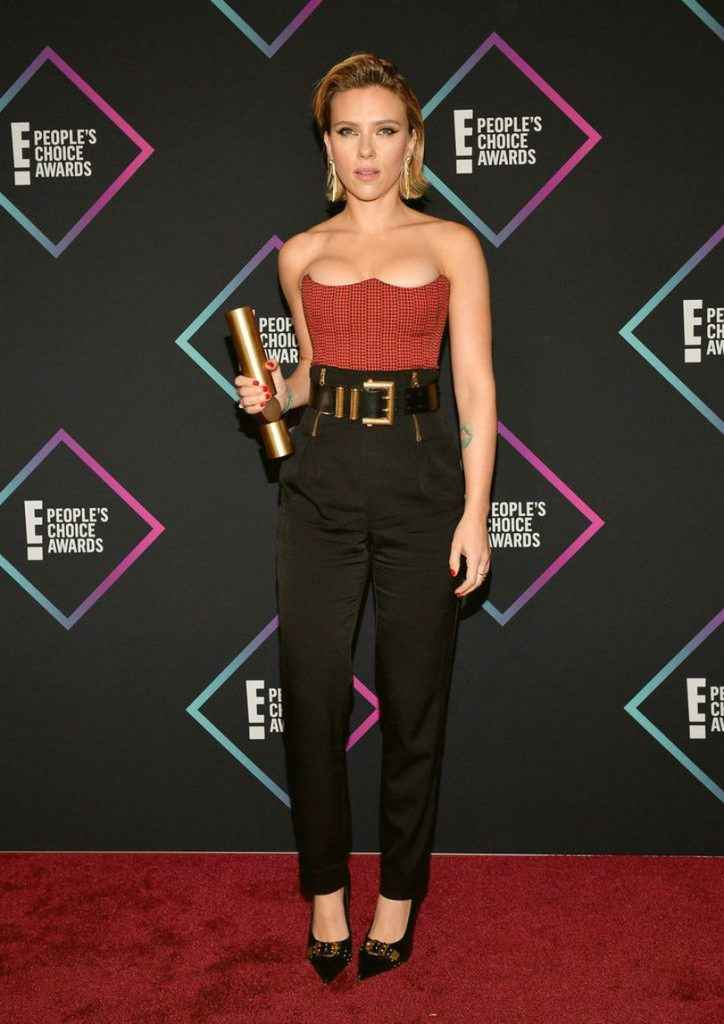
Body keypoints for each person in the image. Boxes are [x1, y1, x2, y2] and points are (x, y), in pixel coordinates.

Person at [234, 52, 496, 983]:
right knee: (311, 699)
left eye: (384, 130)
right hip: (321, 483)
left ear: (411, 140)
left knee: (414, 705)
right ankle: (324, 891)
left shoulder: (452, 243)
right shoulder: (300, 254)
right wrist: (273, 396)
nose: (366, 150)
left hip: (424, 484)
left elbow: (475, 387)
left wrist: (476, 512)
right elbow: (314, 372)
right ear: (328, 145)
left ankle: (398, 896)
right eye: (348, 131)